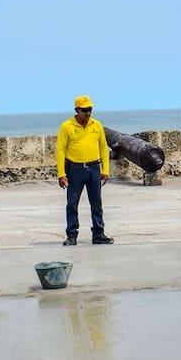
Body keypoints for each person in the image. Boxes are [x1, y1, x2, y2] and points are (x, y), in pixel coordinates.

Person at [56, 95, 113, 246]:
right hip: (75, 169)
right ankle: (72, 235)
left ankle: (98, 234)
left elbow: (103, 148)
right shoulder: (67, 127)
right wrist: (61, 174)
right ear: (77, 110)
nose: (88, 113)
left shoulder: (96, 125)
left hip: (94, 168)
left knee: (96, 203)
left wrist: (105, 170)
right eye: (84, 110)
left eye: (90, 110)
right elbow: (60, 150)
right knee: (72, 203)